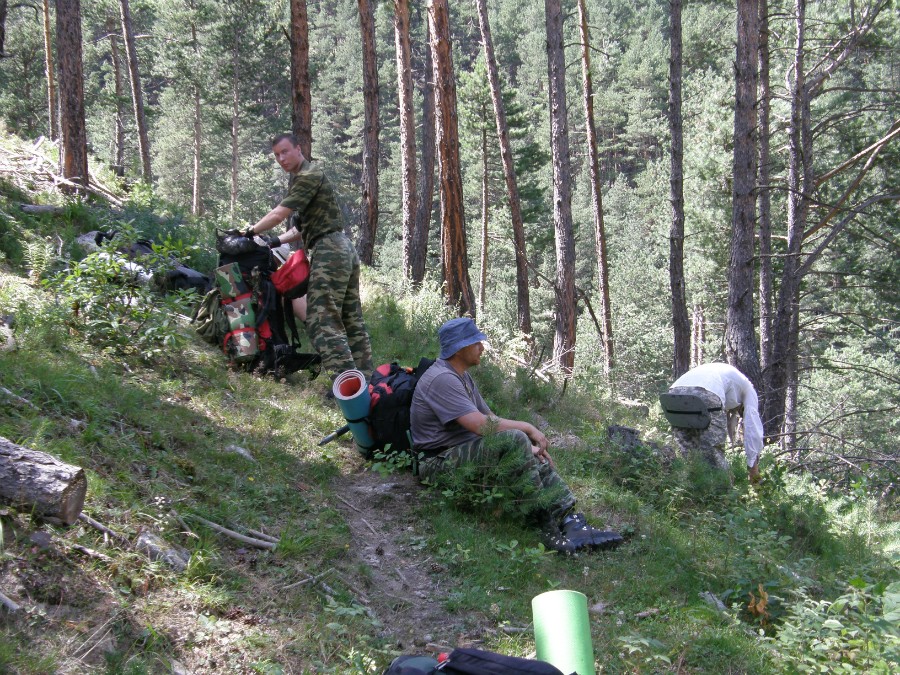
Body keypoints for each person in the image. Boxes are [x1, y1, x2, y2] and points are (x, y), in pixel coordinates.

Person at [410, 317, 623, 554]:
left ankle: (571, 522)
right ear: (459, 348)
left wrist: (529, 449)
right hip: (437, 464)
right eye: (476, 342)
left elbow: (489, 417)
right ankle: (545, 526)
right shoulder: (442, 378)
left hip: (460, 454)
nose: (482, 347)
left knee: (525, 448)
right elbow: (482, 426)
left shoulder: (461, 376)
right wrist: (527, 428)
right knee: (515, 438)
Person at [246, 133, 373, 378]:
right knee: (350, 321)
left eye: (285, 151)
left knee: (321, 321)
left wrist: (250, 232)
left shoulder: (308, 176)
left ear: (299, 149)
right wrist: (274, 241)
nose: (281, 159)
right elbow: (300, 228)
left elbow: (278, 214)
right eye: (276, 155)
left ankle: (347, 384)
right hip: (341, 248)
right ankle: (366, 382)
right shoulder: (305, 178)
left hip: (329, 250)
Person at [665, 362, 764, 481]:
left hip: (673, 393)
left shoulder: (730, 379)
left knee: (686, 453)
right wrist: (753, 469)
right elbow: (753, 428)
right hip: (707, 392)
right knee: (714, 456)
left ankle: (688, 488)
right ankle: (722, 490)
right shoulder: (749, 389)